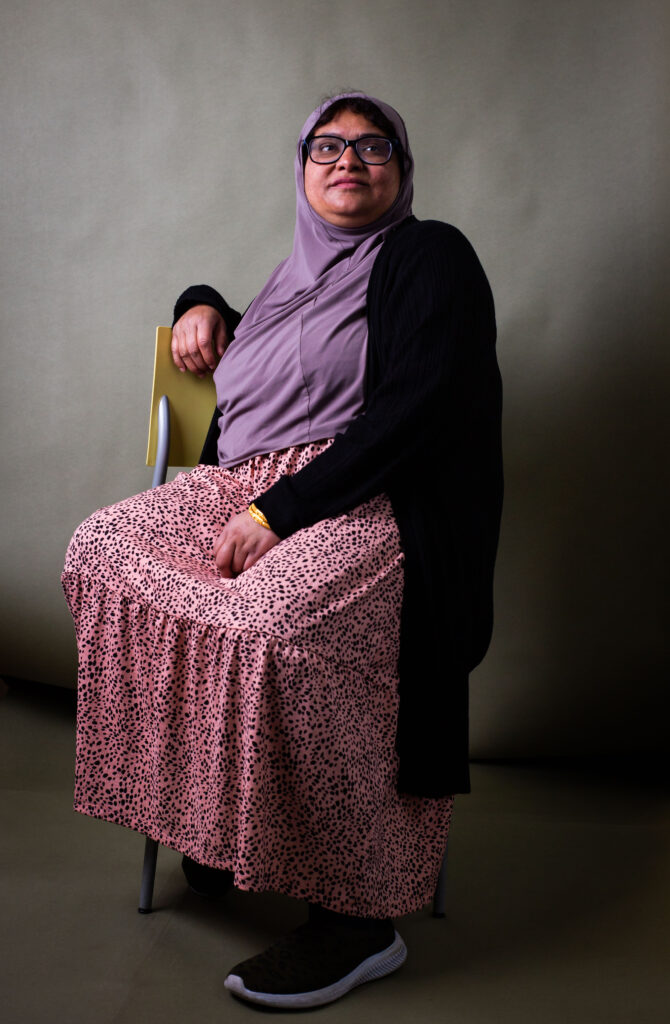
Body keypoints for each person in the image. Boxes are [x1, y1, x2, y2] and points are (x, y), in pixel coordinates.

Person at [62, 92, 503, 1009]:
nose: (350, 160)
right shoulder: (288, 281)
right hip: (240, 487)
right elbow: (286, 339)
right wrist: (201, 303)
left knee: (273, 622)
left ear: (402, 170)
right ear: (301, 171)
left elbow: (415, 407)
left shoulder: (432, 257)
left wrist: (280, 512)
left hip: (363, 494)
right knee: (101, 548)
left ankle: (357, 918)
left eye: (373, 145)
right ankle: (208, 807)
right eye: (327, 146)